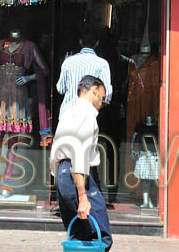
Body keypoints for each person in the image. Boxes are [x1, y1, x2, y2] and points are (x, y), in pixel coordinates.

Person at [50, 75, 112, 252]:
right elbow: (79, 155)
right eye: (102, 96)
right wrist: (83, 196)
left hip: (63, 174)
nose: (102, 102)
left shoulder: (69, 112)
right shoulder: (86, 114)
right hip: (76, 175)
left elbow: (55, 152)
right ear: (94, 90)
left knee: (79, 235)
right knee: (100, 237)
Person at [55, 30, 113, 117]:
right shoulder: (102, 64)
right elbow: (107, 95)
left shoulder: (68, 61)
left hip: (66, 115)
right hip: (88, 116)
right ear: (97, 43)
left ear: (80, 42)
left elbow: (61, 89)